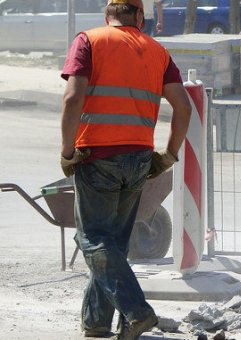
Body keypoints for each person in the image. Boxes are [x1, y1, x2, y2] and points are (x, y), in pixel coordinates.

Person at [59, 0, 191, 338]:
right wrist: (170, 154)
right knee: (113, 244)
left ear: (107, 15)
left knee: (91, 238)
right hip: (139, 159)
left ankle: (137, 312)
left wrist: (67, 150)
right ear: (139, 17)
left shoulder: (89, 40)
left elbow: (73, 99)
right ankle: (97, 323)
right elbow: (183, 106)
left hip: (97, 156)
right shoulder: (157, 51)